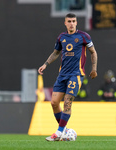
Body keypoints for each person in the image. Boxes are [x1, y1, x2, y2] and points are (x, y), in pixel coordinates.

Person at [38, 13, 98, 141]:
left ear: (76, 23)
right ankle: (64, 131)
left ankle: (59, 133)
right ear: (65, 23)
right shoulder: (61, 37)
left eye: (74, 21)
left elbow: (93, 52)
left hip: (76, 75)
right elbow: (55, 53)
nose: (71, 23)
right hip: (62, 75)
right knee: (54, 103)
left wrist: (93, 69)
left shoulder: (84, 36)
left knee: (67, 102)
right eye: (69, 21)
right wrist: (45, 64)